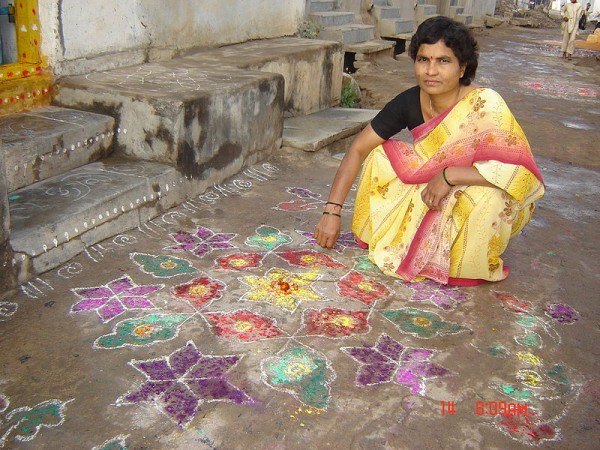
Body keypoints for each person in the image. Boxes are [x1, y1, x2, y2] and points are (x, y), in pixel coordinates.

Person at [314, 16, 545, 286]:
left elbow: (520, 174)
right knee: (381, 156)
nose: (431, 71)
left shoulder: (487, 104)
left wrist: (450, 176)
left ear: (463, 68)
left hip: (472, 188)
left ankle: (466, 263)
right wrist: (332, 212)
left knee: (490, 197)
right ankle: (401, 236)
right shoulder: (410, 100)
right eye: (424, 59)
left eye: (443, 61)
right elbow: (358, 149)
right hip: (431, 188)